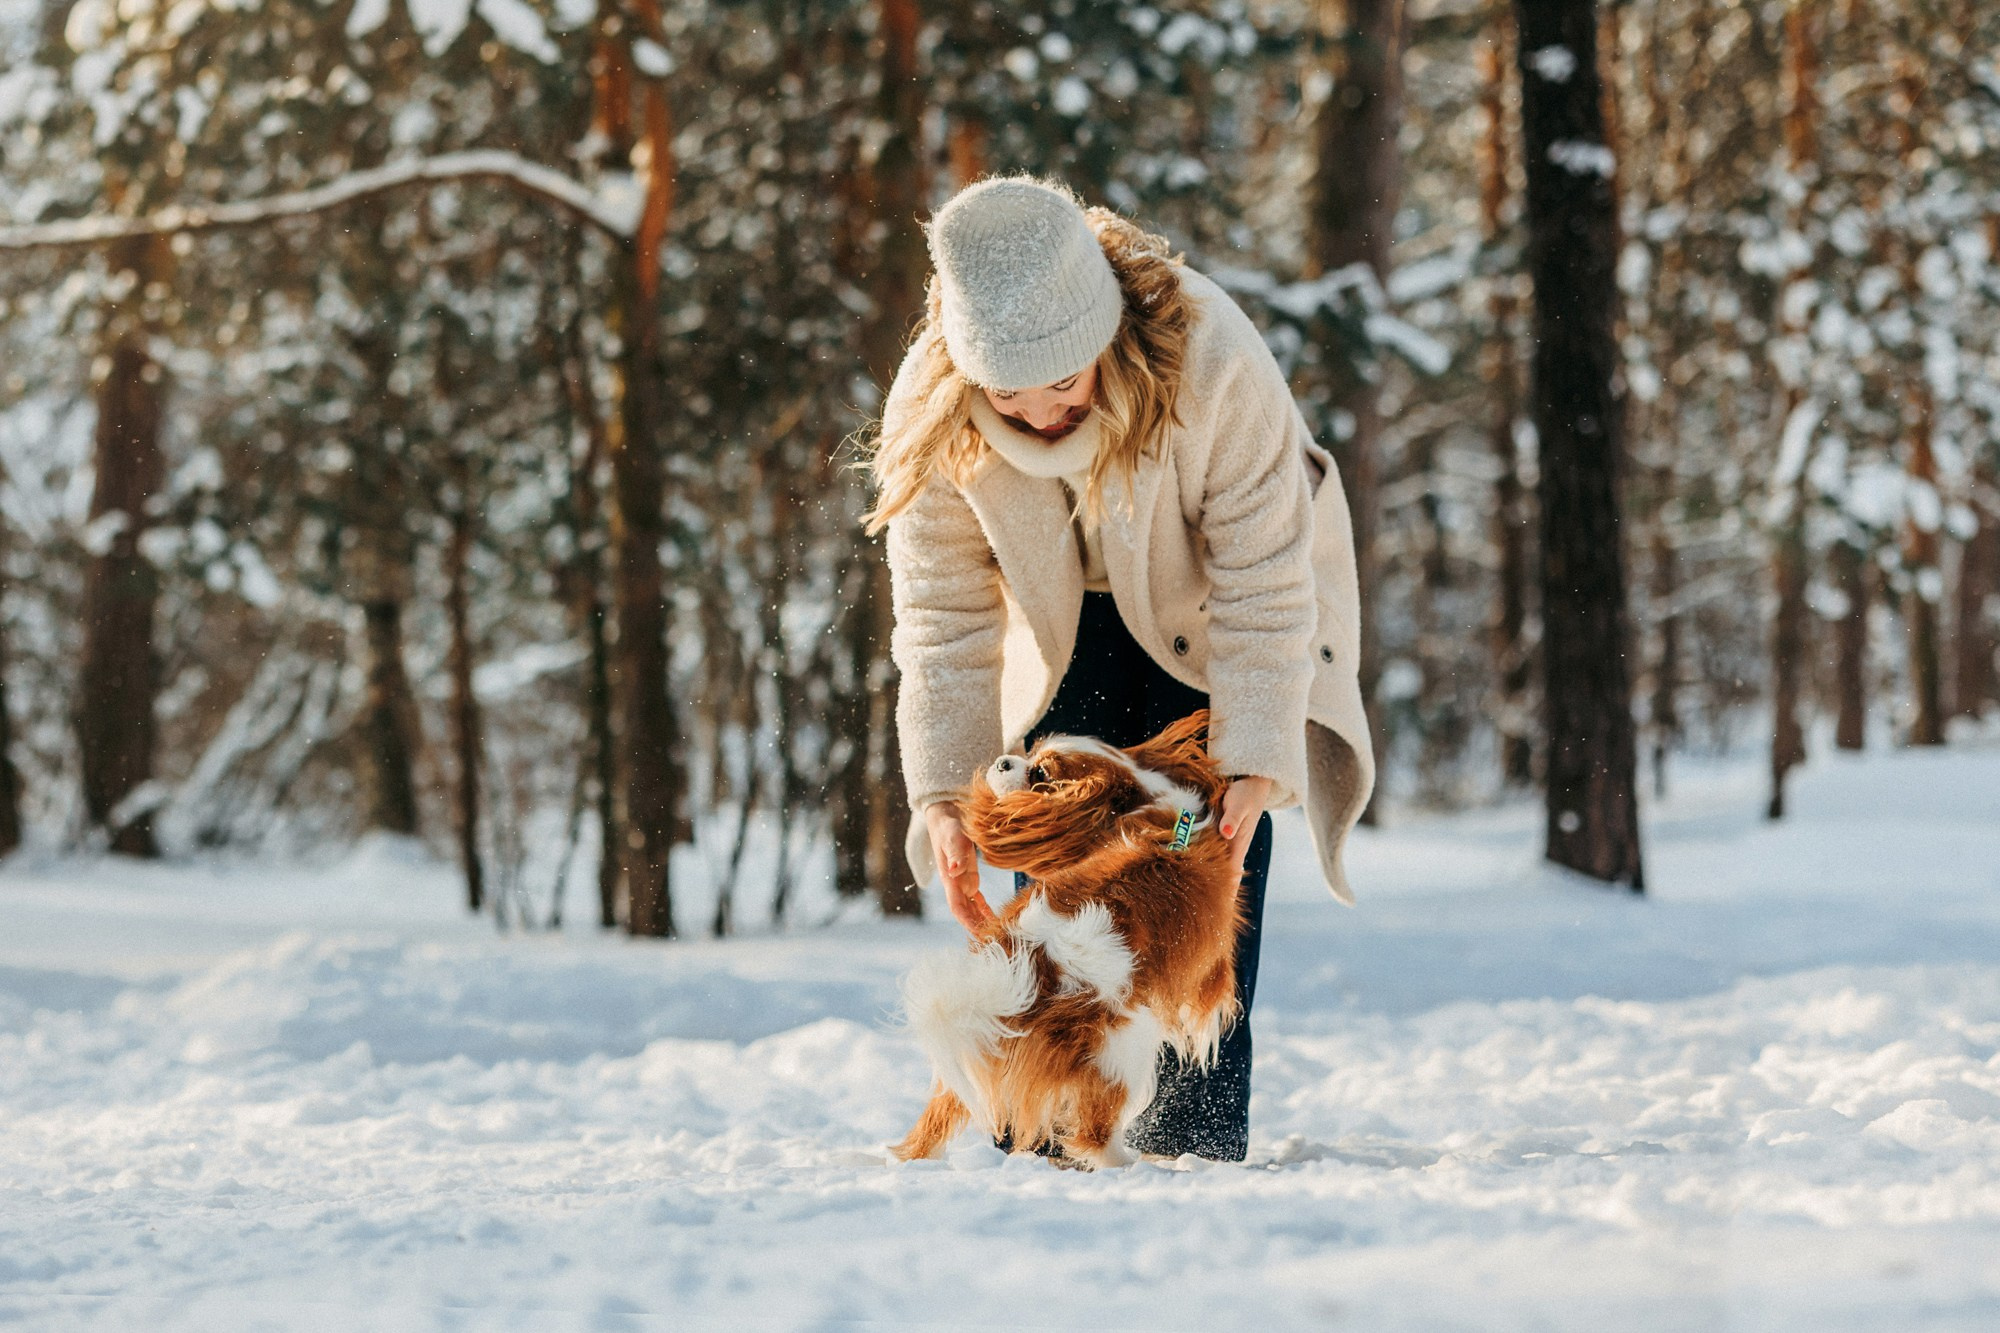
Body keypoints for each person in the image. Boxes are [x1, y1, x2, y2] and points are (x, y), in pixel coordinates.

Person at [864, 176, 1373, 1162]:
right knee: (1057, 853)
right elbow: (942, 627)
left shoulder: (1211, 362)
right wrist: (940, 795)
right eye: (1009, 395)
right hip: (1058, 640)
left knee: (1191, 855)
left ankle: (1192, 1131)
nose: (1043, 416)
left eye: (1064, 384)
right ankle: (1047, 1126)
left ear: (1106, 339)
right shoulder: (932, 419)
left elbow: (1265, 583)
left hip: (1216, 620)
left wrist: (1256, 754)